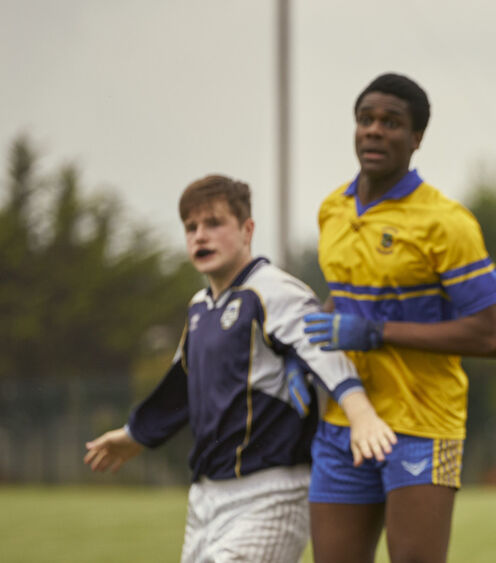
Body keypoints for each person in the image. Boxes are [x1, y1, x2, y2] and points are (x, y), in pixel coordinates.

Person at [84, 175, 395, 563]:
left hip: (271, 492)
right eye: (191, 227)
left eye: (214, 223)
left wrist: (360, 412)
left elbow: (322, 353)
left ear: (248, 230)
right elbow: (182, 384)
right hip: (206, 497)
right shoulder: (200, 306)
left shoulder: (276, 291)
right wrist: (136, 434)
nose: (200, 235)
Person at [303, 72, 496, 563]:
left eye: (391, 122)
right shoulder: (332, 210)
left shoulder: (446, 222)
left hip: (423, 421)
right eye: (366, 119)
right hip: (344, 419)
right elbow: (346, 297)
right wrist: (305, 350)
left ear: (416, 138)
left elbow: (491, 336)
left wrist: (376, 333)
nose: (375, 130)